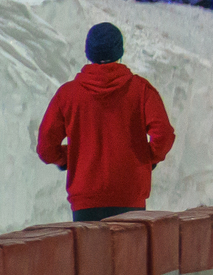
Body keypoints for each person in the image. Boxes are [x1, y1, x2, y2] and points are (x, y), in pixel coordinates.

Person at [36, 22, 176, 221]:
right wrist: (146, 158)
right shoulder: (141, 90)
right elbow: (163, 134)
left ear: (88, 53)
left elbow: (45, 147)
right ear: (120, 52)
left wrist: (69, 157)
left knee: (89, 253)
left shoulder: (67, 95)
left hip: (85, 202)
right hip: (130, 198)